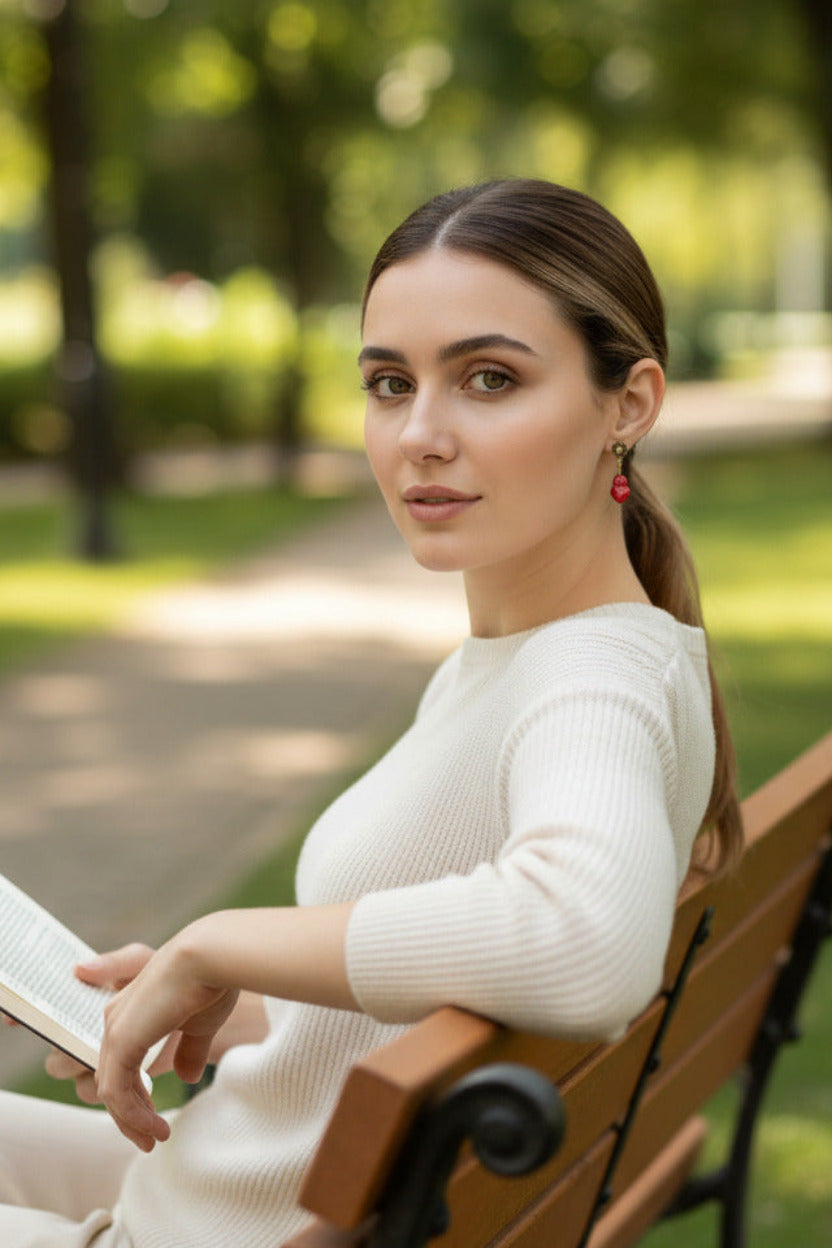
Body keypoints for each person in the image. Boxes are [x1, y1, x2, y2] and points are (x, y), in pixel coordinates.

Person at [0, 178, 741, 1247]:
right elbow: (427, 1007)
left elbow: (586, 941)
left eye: (489, 379)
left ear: (627, 404)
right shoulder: (544, 656)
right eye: (389, 383)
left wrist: (220, 942)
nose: (420, 435)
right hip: (216, 1191)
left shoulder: (590, 684)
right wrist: (216, 999)